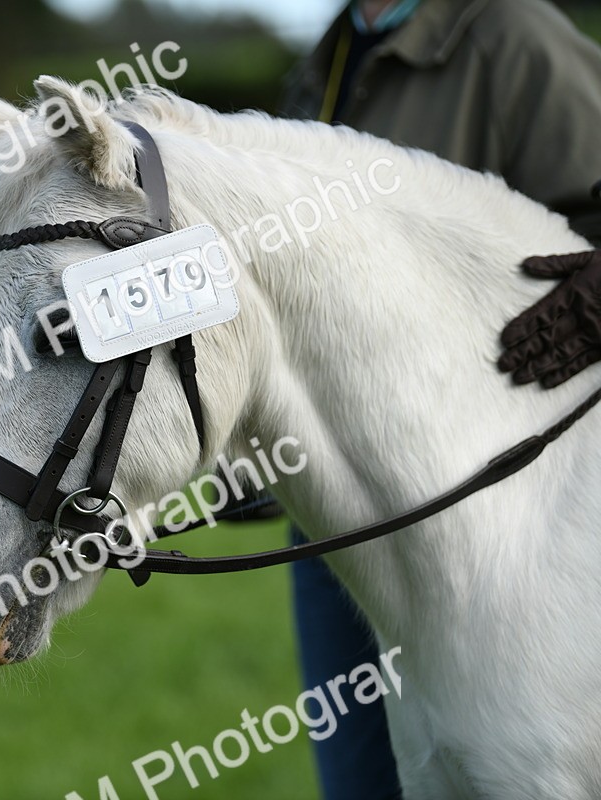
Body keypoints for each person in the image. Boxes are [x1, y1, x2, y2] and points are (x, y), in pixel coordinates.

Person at [278, 1, 601, 797]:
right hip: (344, 520)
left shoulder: (515, 37)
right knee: (361, 783)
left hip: (502, 528)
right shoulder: (329, 59)